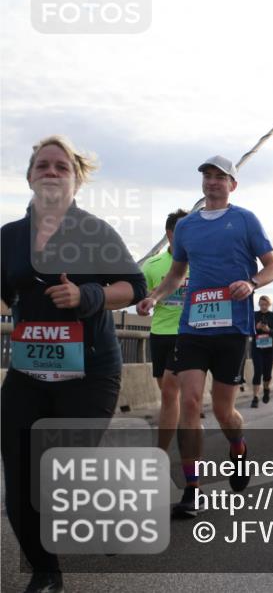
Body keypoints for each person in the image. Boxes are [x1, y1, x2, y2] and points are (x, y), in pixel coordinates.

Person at [2, 135, 147, 593]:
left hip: (90, 372)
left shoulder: (94, 232)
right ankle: (46, 572)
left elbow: (134, 286)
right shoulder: (8, 237)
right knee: (19, 475)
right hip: (28, 372)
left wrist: (88, 295)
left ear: (75, 181)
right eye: (42, 165)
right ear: (29, 176)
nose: (50, 171)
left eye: (61, 166)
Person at [138, 155, 273, 518]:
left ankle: (238, 446)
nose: (213, 182)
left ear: (233, 184)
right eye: (208, 176)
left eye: (221, 177)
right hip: (193, 327)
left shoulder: (245, 220)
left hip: (231, 328)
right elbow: (175, 274)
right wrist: (154, 297)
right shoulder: (186, 227)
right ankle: (192, 489)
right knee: (189, 404)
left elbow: (272, 267)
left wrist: (251, 283)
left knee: (223, 411)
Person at [141, 209, 189, 449]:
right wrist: (144, 302)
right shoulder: (151, 266)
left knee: (171, 392)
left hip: (188, 335)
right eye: (182, 230)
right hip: (160, 333)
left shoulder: (199, 262)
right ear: (170, 234)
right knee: (168, 393)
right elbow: (139, 296)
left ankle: (162, 451)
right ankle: (186, 425)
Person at [250, 295, 273, 408]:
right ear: (259, 304)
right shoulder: (254, 315)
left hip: (269, 348)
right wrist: (256, 328)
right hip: (257, 348)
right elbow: (248, 331)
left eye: (265, 304)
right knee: (258, 371)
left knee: (267, 373)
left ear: (269, 304)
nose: (263, 306)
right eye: (261, 304)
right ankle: (255, 397)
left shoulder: (272, 316)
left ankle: (266, 389)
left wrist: (268, 330)